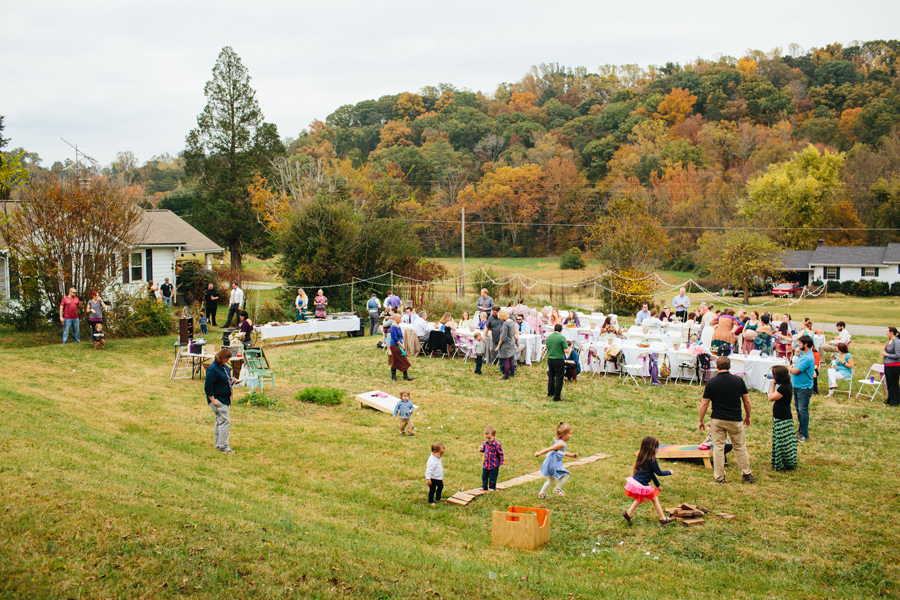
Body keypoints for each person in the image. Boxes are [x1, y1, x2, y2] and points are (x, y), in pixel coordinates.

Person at [698, 355, 755, 483]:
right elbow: (747, 401)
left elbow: (704, 404)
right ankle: (746, 474)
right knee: (740, 447)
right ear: (729, 366)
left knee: (718, 448)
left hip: (717, 419)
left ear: (717, 367)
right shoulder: (738, 381)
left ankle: (719, 476)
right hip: (735, 419)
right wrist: (748, 416)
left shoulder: (711, 382)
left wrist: (701, 420)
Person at [622, 436, 676, 526]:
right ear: (652, 447)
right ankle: (662, 518)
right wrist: (669, 472)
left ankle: (628, 513)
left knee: (640, 498)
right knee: (654, 499)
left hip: (637, 481)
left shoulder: (642, 455)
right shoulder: (652, 459)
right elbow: (658, 472)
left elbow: (651, 473)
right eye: (655, 447)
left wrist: (658, 485)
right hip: (642, 484)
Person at [205, 348, 238, 453]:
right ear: (222, 357)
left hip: (225, 399)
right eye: (226, 359)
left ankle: (218, 444)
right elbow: (208, 386)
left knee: (220, 421)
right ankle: (224, 447)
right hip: (219, 400)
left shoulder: (223, 367)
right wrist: (212, 399)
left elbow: (224, 379)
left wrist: (232, 381)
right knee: (225, 421)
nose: (227, 361)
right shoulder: (213, 369)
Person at [534, 422, 578, 498]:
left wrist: (572, 455)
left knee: (551, 480)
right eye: (569, 434)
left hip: (550, 463)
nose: (571, 436)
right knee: (566, 474)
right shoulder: (561, 444)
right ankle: (557, 489)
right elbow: (549, 449)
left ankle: (541, 494)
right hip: (554, 464)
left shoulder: (559, 443)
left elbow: (562, 452)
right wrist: (539, 453)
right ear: (563, 435)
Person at [768, 365, 797, 471]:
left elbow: (771, 398)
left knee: (781, 442)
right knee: (779, 440)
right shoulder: (786, 385)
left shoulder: (784, 388)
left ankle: (782, 463)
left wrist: (772, 385)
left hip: (782, 417)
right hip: (781, 415)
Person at [789, 335, 815, 442]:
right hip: (797, 385)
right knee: (798, 409)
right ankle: (801, 429)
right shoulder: (803, 355)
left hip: (804, 388)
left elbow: (795, 370)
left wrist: (790, 369)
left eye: (800, 344)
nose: (798, 345)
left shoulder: (808, 358)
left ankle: (804, 434)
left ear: (806, 345)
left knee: (803, 410)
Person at [388, 314, 414, 381]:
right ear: (396, 318)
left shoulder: (398, 326)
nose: (401, 319)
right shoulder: (393, 327)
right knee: (401, 359)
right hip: (395, 345)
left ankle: (403, 376)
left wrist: (403, 343)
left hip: (399, 345)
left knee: (396, 360)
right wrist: (401, 344)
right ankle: (399, 376)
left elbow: (401, 336)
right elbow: (395, 338)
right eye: (400, 318)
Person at [545, 324, 567, 402]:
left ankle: (550, 392)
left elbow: (547, 347)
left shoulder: (549, 337)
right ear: (561, 330)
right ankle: (557, 396)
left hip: (550, 359)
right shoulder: (562, 338)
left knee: (551, 376)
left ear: (554, 329)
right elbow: (566, 350)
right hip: (558, 359)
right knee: (559, 378)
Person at [479, 426, 504, 491]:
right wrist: (481, 449)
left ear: (494, 436)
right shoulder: (485, 443)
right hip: (486, 463)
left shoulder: (497, 445)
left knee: (492, 477)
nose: (487, 440)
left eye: (489, 438)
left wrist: (501, 463)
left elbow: (500, 454)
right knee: (484, 476)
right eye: (486, 438)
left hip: (494, 465)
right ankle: (484, 486)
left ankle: (492, 487)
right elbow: (484, 450)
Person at [495, 310, 517, 380]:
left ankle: (506, 374)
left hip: (506, 343)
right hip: (511, 342)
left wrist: (499, 345)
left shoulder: (505, 324)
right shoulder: (511, 321)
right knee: (510, 357)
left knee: (506, 359)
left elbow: (503, 336)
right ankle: (512, 372)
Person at [881, 327, 900, 407]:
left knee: (894, 383)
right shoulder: (890, 341)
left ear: (892, 332)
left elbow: (898, 355)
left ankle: (895, 401)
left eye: (887, 331)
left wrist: (887, 354)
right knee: (889, 383)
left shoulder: (897, 342)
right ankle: (890, 399)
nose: (886, 333)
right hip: (887, 364)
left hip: (894, 366)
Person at [425, 442, 445, 506]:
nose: (441, 456)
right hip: (433, 479)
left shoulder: (437, 458)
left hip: (438, 478)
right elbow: (428, 471)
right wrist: (428, 479)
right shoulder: (432, 461)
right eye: (440, 454)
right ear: (434, 452)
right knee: (432, 490)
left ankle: (438, 498)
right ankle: (431, 501)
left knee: (441, 486)